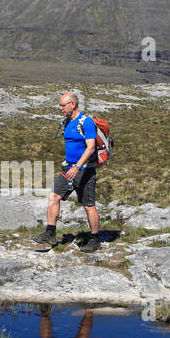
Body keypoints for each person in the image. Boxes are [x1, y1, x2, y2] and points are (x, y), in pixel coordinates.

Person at [32, 91, 101, 252]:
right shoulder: (67, 122)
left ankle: (95, 239)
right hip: (68, 168)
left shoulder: (86, 122)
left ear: (73, 104)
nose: (60, 108)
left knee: (88, 205)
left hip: (84, 170)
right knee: (54, 196)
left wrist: (77, 166)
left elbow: (90, 147)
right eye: (60, 105)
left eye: (63, 105)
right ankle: (50, 232)